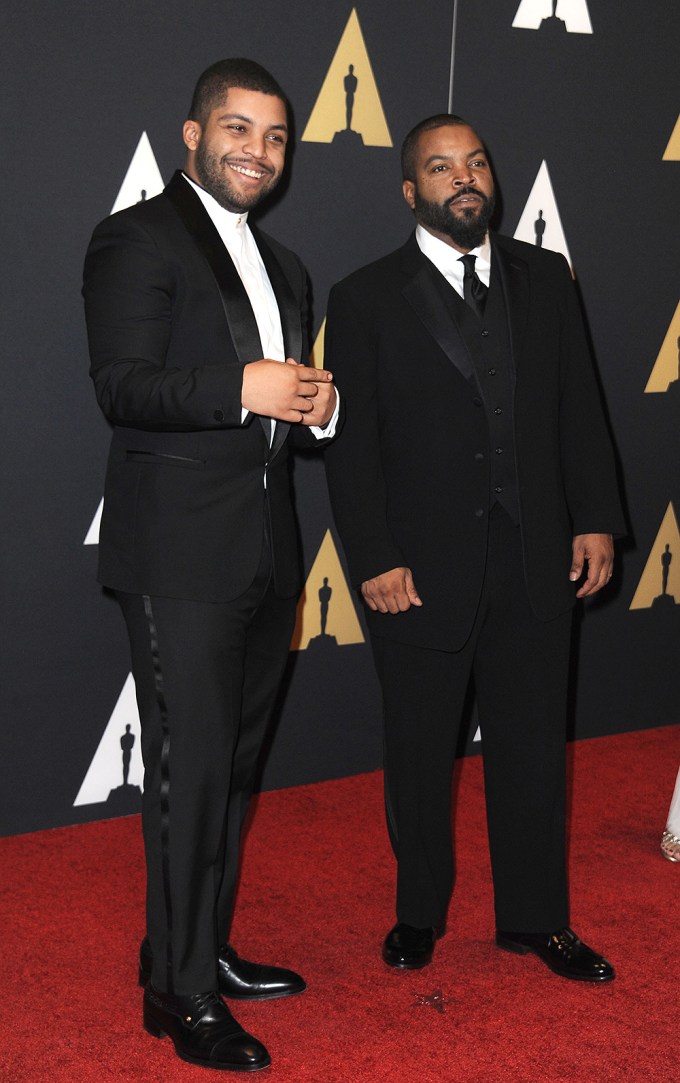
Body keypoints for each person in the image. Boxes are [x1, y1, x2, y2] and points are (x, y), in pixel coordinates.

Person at [323, 113, 624, 984]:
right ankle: (418, 911)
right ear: (410, 190)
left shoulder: (547, 277)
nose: (465, 178)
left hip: (537, 557)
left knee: (534, 745)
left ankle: (537, 919)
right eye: (441, 167)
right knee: (420, 751)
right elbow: (357, 445)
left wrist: (595, 515)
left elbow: (580, 407)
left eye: (477, 163)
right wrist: (374, 555)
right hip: (417, 570)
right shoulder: (365, 295)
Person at [83, 58, 339, 1072]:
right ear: (192, 134)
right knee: (190, 779)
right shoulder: (135, 237)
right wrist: (245, 385)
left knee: (230, 773)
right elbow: (122, 384)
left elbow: (289, 406)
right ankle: (179, 996)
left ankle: (193, 947)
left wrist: (317, 406)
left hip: (267, 547)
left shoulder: (286, 267)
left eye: (275, 137)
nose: (257, 151)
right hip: (179, 552)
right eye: (237, 128)